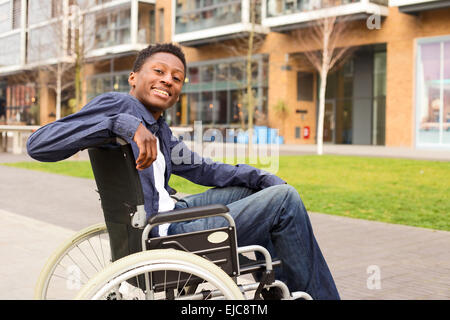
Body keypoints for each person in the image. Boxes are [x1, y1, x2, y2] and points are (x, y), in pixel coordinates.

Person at [27, 43, 340, 300]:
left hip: (171, 213)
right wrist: (122, 124)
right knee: (285, 201)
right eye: (159, 71)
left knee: (264, 192)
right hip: (165, 233)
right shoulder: (118, 105)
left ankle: (274, 285)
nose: (168, 80)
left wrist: (261, 177)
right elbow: (38, 145)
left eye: (176, 78)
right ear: (133, 78)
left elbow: (201, 169)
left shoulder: (158, 127)